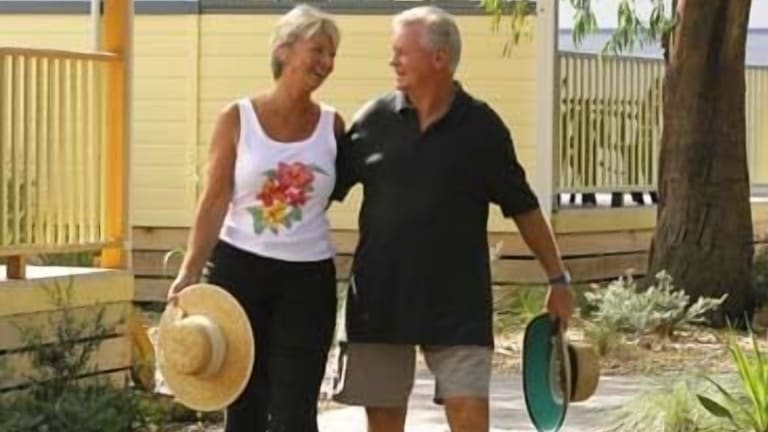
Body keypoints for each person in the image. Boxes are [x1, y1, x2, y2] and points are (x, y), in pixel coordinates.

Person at [330, 6, 575, 432]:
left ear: (439, 58)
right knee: (383, 422)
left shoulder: (483, 129)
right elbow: (321, 191)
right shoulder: (372, 121)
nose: (392, 61)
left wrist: (558, 279)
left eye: (401, 52)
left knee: (469, 417)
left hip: (458, 303)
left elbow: (524, 207)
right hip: (380, 299)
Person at [166, 5, 344, 431]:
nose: (326, 62)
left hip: (308, 278)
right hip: (239, 271)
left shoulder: (333, 125)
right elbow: (214, 199)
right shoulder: (237, 118)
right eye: (318, 50)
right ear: (284, 50)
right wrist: (190, 271)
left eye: (332, 54)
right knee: (244, 401)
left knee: (296, 409)